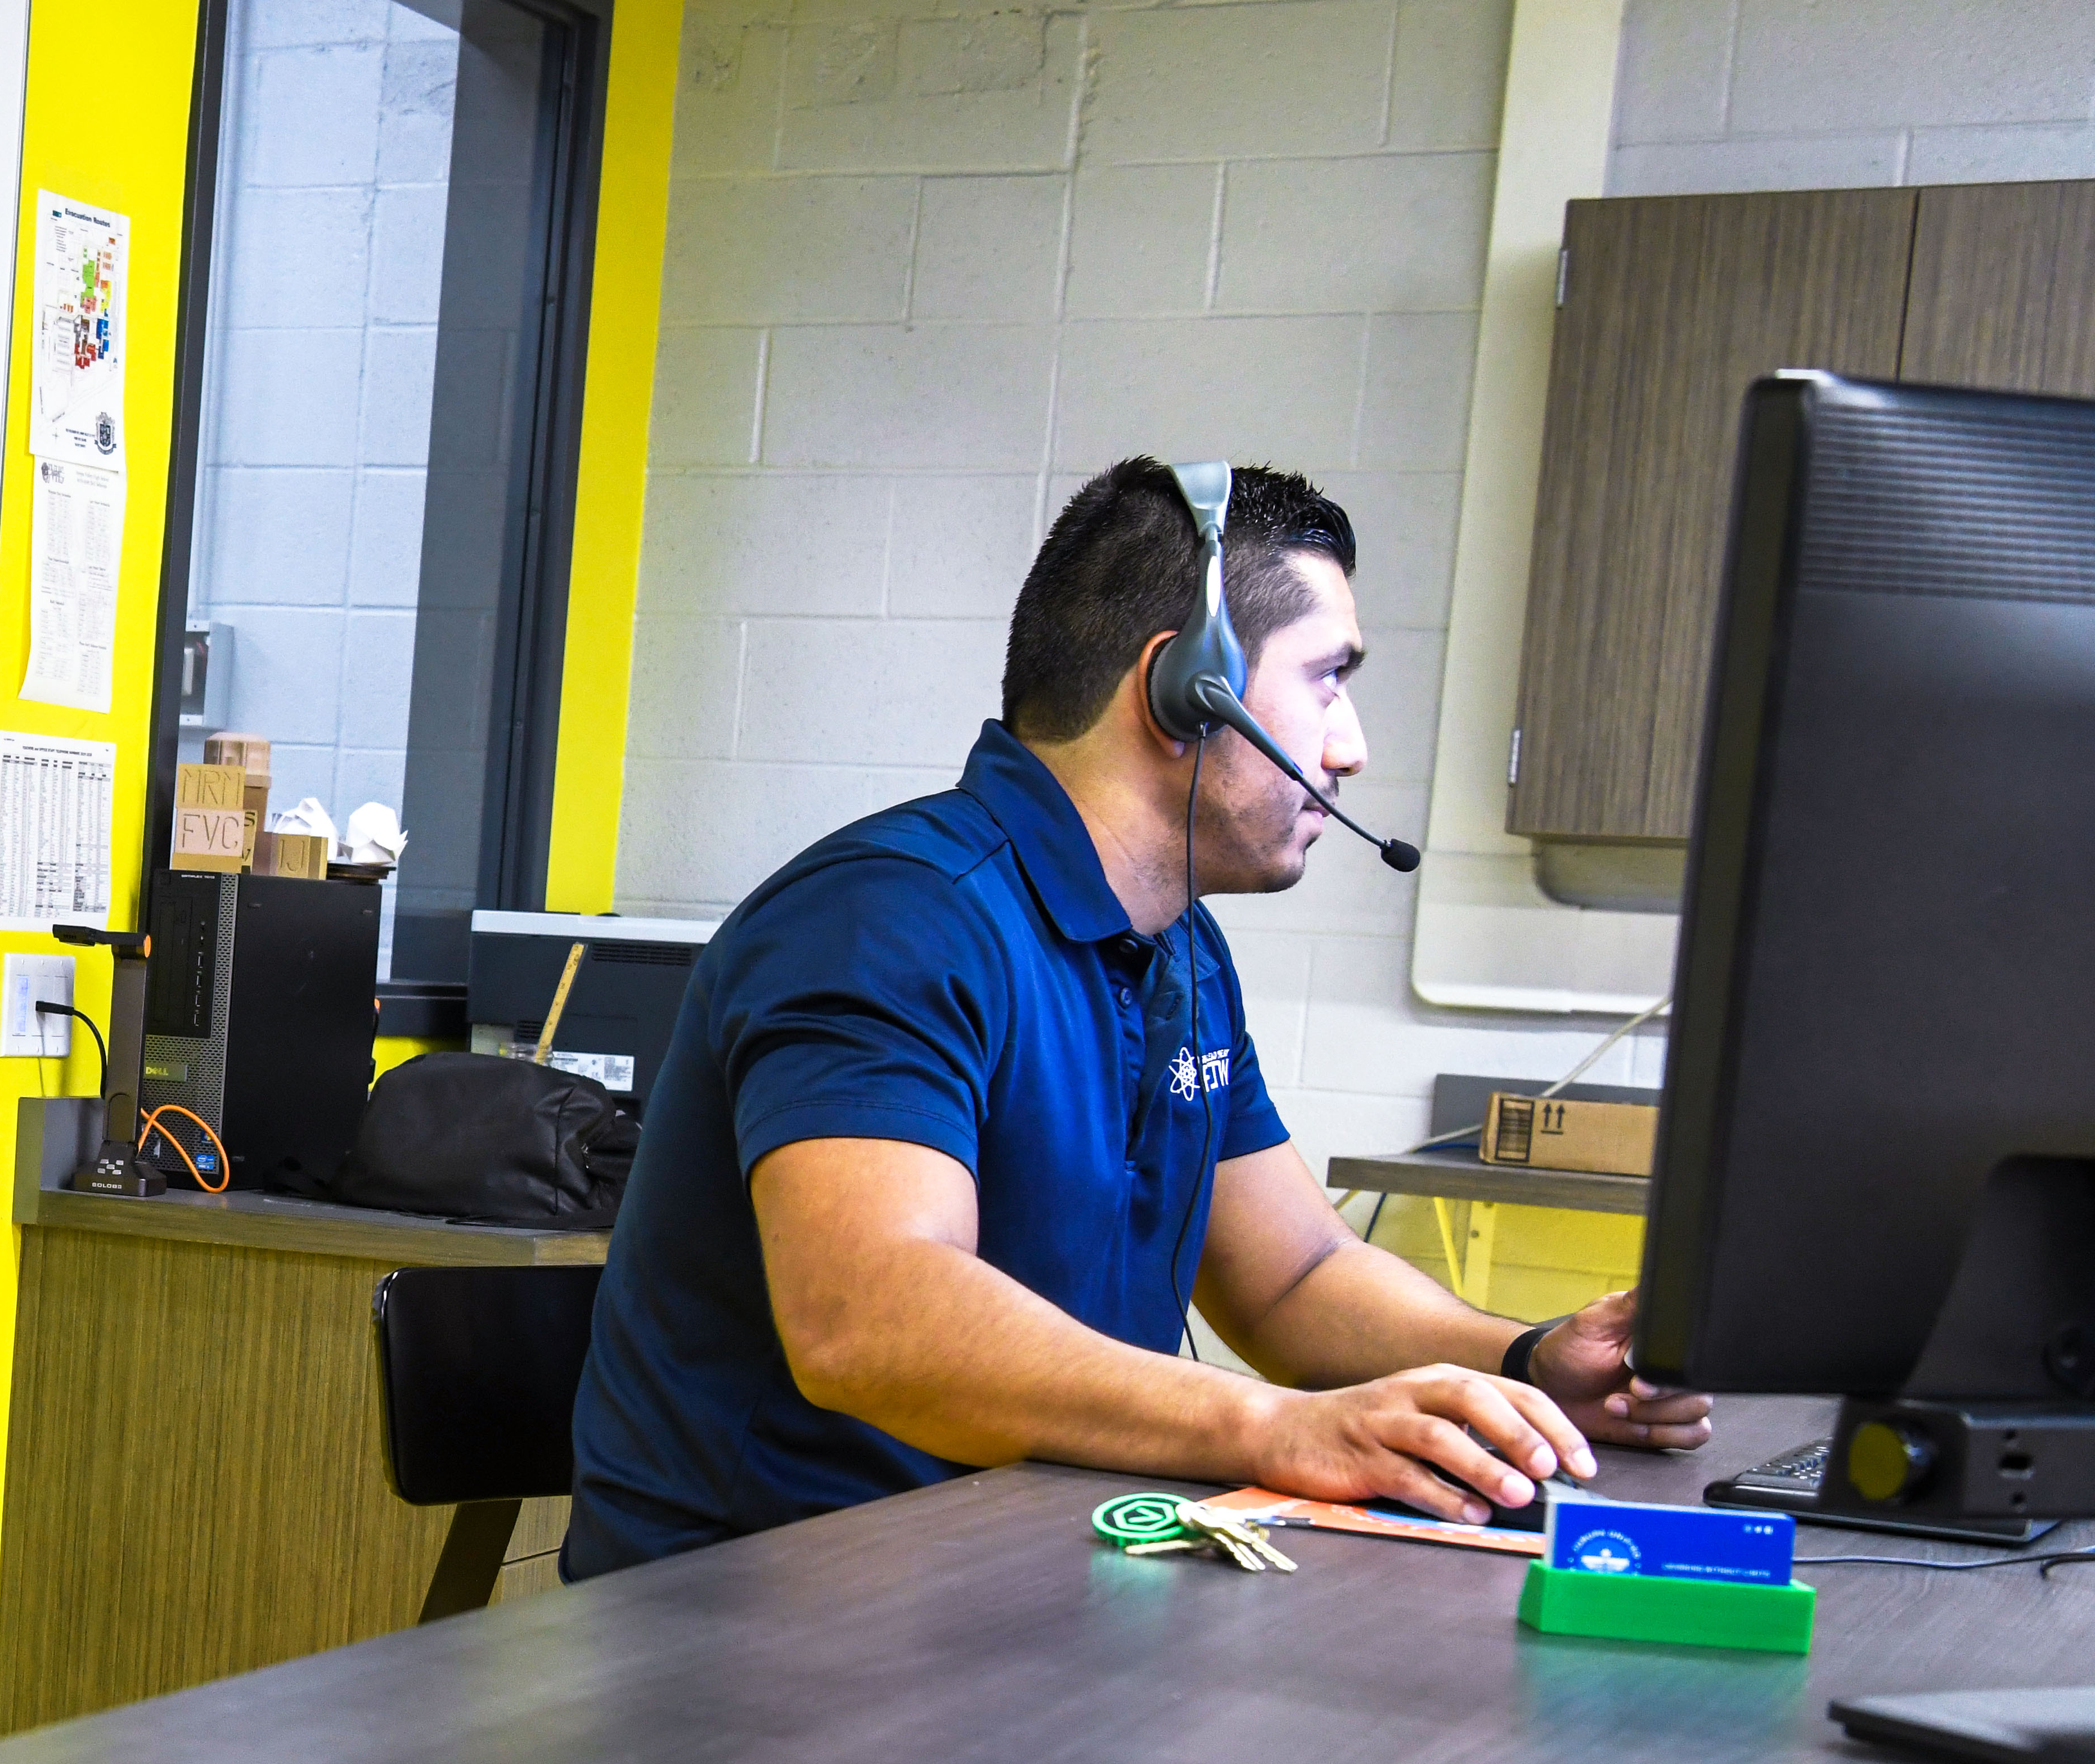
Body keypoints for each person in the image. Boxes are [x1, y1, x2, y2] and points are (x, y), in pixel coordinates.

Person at [561, 456, 1712, 1581]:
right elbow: (873, 1318)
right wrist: (1270, 1427)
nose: (1351, 747)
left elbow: (1294, 1275)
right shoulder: (889, 922)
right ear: (1186, 694)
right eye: (1327, 679)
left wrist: (1524, 1364)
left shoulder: (1183, 955)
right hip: (759, 1624)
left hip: (1023, 1586)